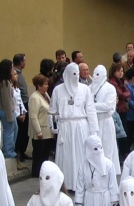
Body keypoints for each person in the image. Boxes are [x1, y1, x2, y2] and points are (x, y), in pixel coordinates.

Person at [49, 62, 99, 191]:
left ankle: (82, 182)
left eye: (77, 73)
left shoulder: (85, 89)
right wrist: (53, 127)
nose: (75, 76)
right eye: (73, 74)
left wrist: (94, 130)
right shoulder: (58, 90)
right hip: (65, 127)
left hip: (81, 127)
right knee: (66, 156)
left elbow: (91, 110)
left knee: (81, 155)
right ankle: (66, 184)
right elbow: (53, 111)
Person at [90, 65, 120, 175]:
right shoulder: (89, 88)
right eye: (94, 73)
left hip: (106, 121)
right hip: (93, 122)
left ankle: (107, 172)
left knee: (107, 148)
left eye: (98, 74)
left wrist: (92, 106)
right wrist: (95, 107)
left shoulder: (110, 88)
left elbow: (108, 106)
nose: (94, 76)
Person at [74, 135, 119, 206]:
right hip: (89, 199)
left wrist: (114, 201)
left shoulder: (109, 164)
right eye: (95, 149)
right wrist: (79, 202)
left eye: (100, 148)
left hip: (104, 199)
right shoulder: (83, 165)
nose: (99, 151)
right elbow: (80, 186)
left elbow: (113, 185)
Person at [28, 74, 55, 178]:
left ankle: (44, 172)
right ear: (39, 86)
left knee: (45, 154)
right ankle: (36, 173)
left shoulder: (45, 95)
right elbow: (33, 116)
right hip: (40, 131)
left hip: (47, 130)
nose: (47, 86)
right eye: (45, 84)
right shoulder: (34, 97)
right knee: (39, 155)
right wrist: (38, 131)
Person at [0, 59, 18, 159]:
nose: (12, 70)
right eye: (11, 67)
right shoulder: (4, 83)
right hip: (5, 110)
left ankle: (10, 149)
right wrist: (10, 116)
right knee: (9, 131)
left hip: (6, 110)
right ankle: (8, 152)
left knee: (14, 129)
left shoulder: (3, 81)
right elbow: (6, 101)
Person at [13, 54, 30, 163]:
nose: (25, 63)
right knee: (21, 131)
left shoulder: (20, 73)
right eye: (24, 61)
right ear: (20, 62)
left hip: (24, 104)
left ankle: (22, 152)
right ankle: (19, 152)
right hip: (20, 104)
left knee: (25, 130)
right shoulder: (15, 73)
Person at [11, 68, 27, 168]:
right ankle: (16, 161)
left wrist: (24, 112)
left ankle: (20, 158)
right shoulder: (10, 88)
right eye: (14, 74)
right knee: (16, 139)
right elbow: (12, 104)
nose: (16, 76)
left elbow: (20, 101)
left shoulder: (17, 87)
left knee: (21, 137)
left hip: (21, 114)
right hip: (16, 116)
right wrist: (18, 115)